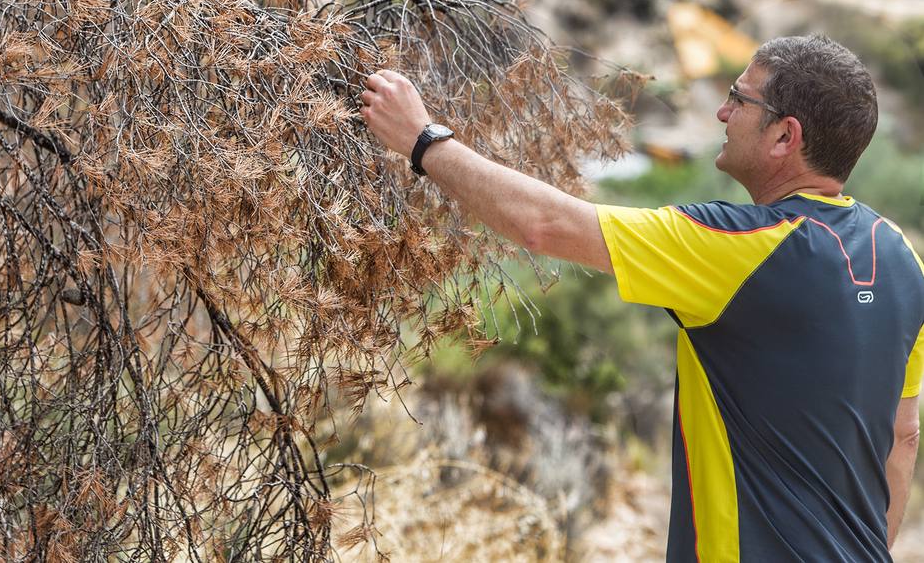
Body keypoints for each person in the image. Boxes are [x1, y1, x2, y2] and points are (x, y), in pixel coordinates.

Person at [359, 35, 924, 562]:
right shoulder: (901, 258)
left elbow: (545, 225)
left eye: (738, 99)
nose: (722, 114)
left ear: (785, 137)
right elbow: (903, 436)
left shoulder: (743, 248)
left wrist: (422, 138)